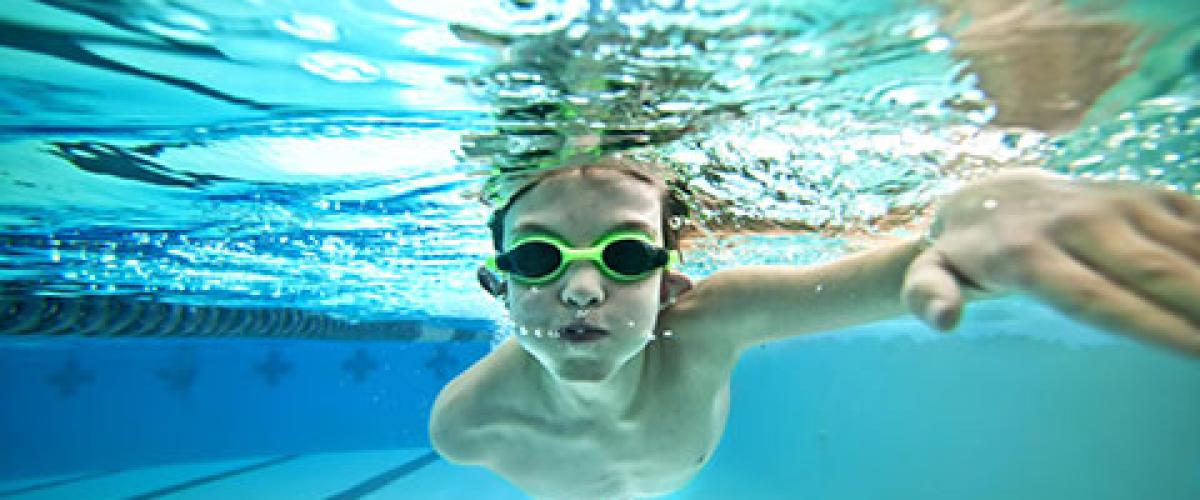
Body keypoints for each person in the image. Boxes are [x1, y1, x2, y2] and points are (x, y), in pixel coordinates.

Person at [429, 155, 1199, 499]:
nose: (581, 290)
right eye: (537, 256)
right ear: (497, 285)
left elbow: (901, 274)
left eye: (628, 252)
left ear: (672, 284)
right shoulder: (464, 425)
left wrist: (978, 236)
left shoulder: (711, 323)